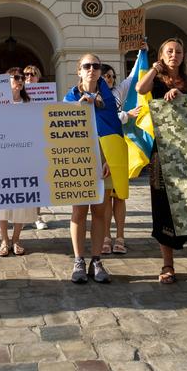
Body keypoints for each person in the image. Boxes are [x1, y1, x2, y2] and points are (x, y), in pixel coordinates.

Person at [136, 38, 187, 287]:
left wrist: (184, 96)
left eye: (178, 51)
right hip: (163, 153)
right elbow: (140, 89)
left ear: (184, 57)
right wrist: (155, 68)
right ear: (162, 54)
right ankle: (168, 265)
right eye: (169, 51)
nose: (174, 55)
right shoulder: (156, 81)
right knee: (164, 208)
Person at [63, 54, 121, 284]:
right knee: (79, 211)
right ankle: (78, 260)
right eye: (87, 66)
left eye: (96, 66)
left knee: (99, 211)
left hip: (104, 158)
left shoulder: (108, 97)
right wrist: (80, 108)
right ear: (79, 70)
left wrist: (110, 158)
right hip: (79, 158)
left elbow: (115, 130)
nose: (92, 70)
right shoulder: (71, 96)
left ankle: (96, 259)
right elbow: (61, 129)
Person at [0, 67, 38, 256]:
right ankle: (4, 240)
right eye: (16, 77)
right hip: (1, 157)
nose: (20, 80)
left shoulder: (29, 103)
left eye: (22, 77)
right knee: (2, 200)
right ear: (6, 81)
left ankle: (16, 238)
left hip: (23, 157)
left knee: (21, 200)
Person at [100, 64, 142, 255]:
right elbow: (102, 119)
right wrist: (126, 115)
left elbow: (132, 78)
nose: (109, 79)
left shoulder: (118, 92)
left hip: (119, 148)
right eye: (105, 76)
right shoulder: (95, 96)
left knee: (120, 196)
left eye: (111, 76)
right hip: (102, 148)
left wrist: (141, 53)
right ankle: (106, 236)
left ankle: (120, 236)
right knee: (105, 197)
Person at [24, 64, 48, 231]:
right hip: (22, 145)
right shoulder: (17, 95)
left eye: (32, 74)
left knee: (38, 182)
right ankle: (23, 216)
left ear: (38, 77)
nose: (29, 78)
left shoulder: (47, 94)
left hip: (40, 142)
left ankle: (37, 216)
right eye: (25, 75)